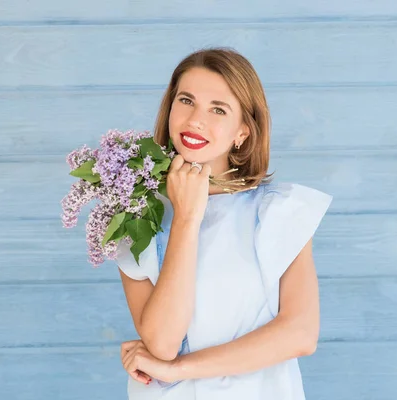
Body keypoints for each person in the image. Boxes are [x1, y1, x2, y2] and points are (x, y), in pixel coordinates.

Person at [116, 47, 333, 400]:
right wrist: (186, 217)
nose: (195, 120)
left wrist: (178, 370)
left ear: (242, 132)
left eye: (218, 109)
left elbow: (300, 334)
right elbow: (163, 342)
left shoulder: (276, 213)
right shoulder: (135, 216)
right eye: (186, 101)